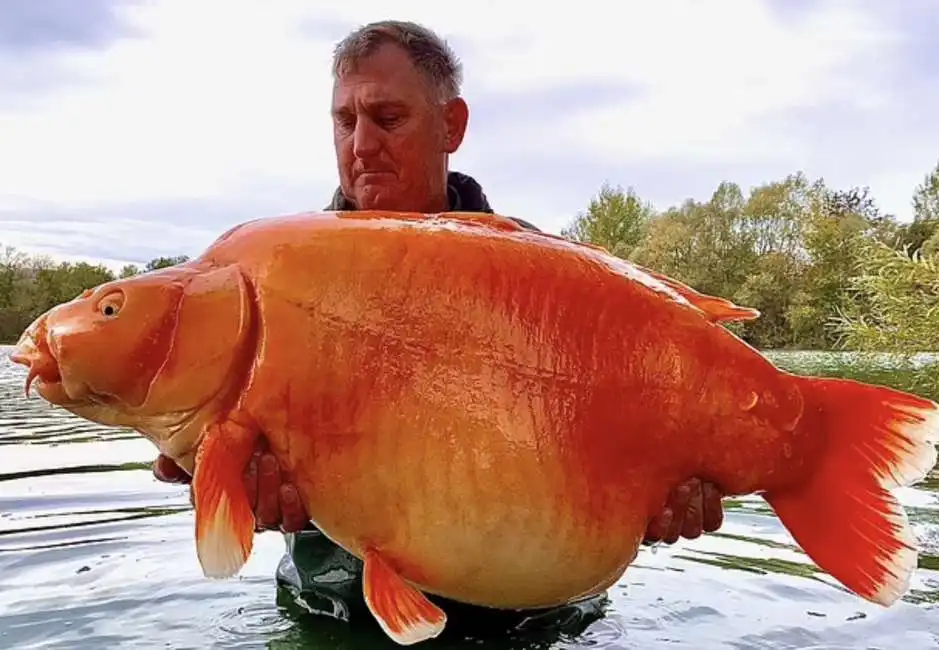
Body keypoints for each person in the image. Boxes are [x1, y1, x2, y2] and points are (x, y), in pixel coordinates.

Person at [152, 19, 725, 637]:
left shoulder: (549, 278)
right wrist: (225, 483)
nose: (362, 144)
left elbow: (631, 443)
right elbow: (218, 457)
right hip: (334, 612)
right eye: (345, 121)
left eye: (388, 118)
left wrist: (669, 494)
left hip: (533, 621)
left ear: (451, 125)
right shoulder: (271, 282)